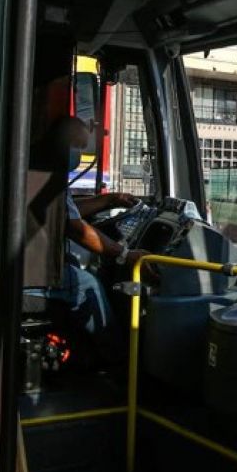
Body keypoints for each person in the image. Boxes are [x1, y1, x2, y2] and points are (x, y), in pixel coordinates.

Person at [44, 116, 147, 336]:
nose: (79, 153)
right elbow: (74, 227)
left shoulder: (47, 171)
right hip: (35, 271)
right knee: (88, 285)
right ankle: (112, 356)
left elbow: (67, 210)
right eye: (77, 145)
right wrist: (125, 254)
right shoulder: (48, 174)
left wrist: (111, 200)